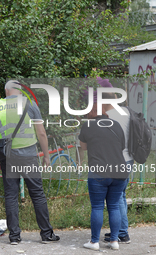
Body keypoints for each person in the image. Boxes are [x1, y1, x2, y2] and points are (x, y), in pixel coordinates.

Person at [0, 80, 59, 245]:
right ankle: (46, 234)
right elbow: (41, 132)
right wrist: (46, 155)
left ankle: (14, 237)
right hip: (28, 154)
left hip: (7, 156)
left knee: (11, 195)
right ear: (20, 91)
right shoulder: (30, 104)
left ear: (6, 91)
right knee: (37, 193)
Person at [79, 102, 129, 251]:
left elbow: (83, 147)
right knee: (114, 206)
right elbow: (121, 146)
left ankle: (94, 242)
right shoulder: (116, 125)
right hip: (120, 172)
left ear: (91, 112)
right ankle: (114, 241)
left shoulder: (88, 125)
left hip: (99, 172)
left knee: (97, 206)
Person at [100, 80, 133, 244]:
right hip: (128, 159)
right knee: (121, 195)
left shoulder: (108, 118)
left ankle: (121, 233)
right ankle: (120, 230)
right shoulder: (126, 112)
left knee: (116, 197)